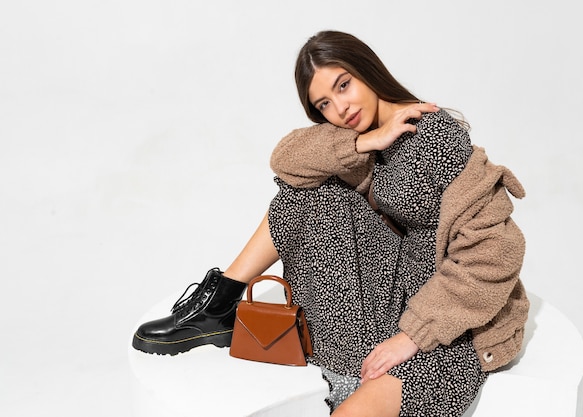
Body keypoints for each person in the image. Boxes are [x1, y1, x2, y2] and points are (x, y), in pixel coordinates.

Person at [132, 30, 529, 417]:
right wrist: (364, 143)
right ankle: (220, 300)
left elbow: (496, 252)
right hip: (393, 291)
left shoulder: (436, 137)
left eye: (343, 85)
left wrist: (412, 337)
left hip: (446, 317)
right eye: (323, 104)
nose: (339, 109)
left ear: (367, 70)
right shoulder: (367, 136)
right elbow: (285, 161)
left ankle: (354, 366)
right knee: (304, 192)